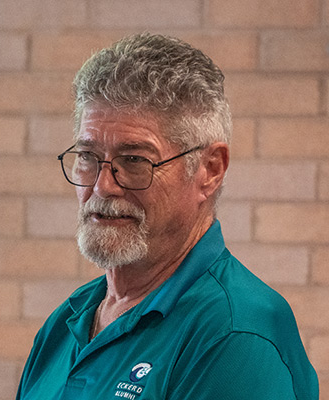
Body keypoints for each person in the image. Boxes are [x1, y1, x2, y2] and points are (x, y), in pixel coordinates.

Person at [16, 33, 318, 399]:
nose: (103, 186)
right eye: (88, 157)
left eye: (134, 161)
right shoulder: (66, 323)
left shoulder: (235, 334)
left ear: (210, 170)